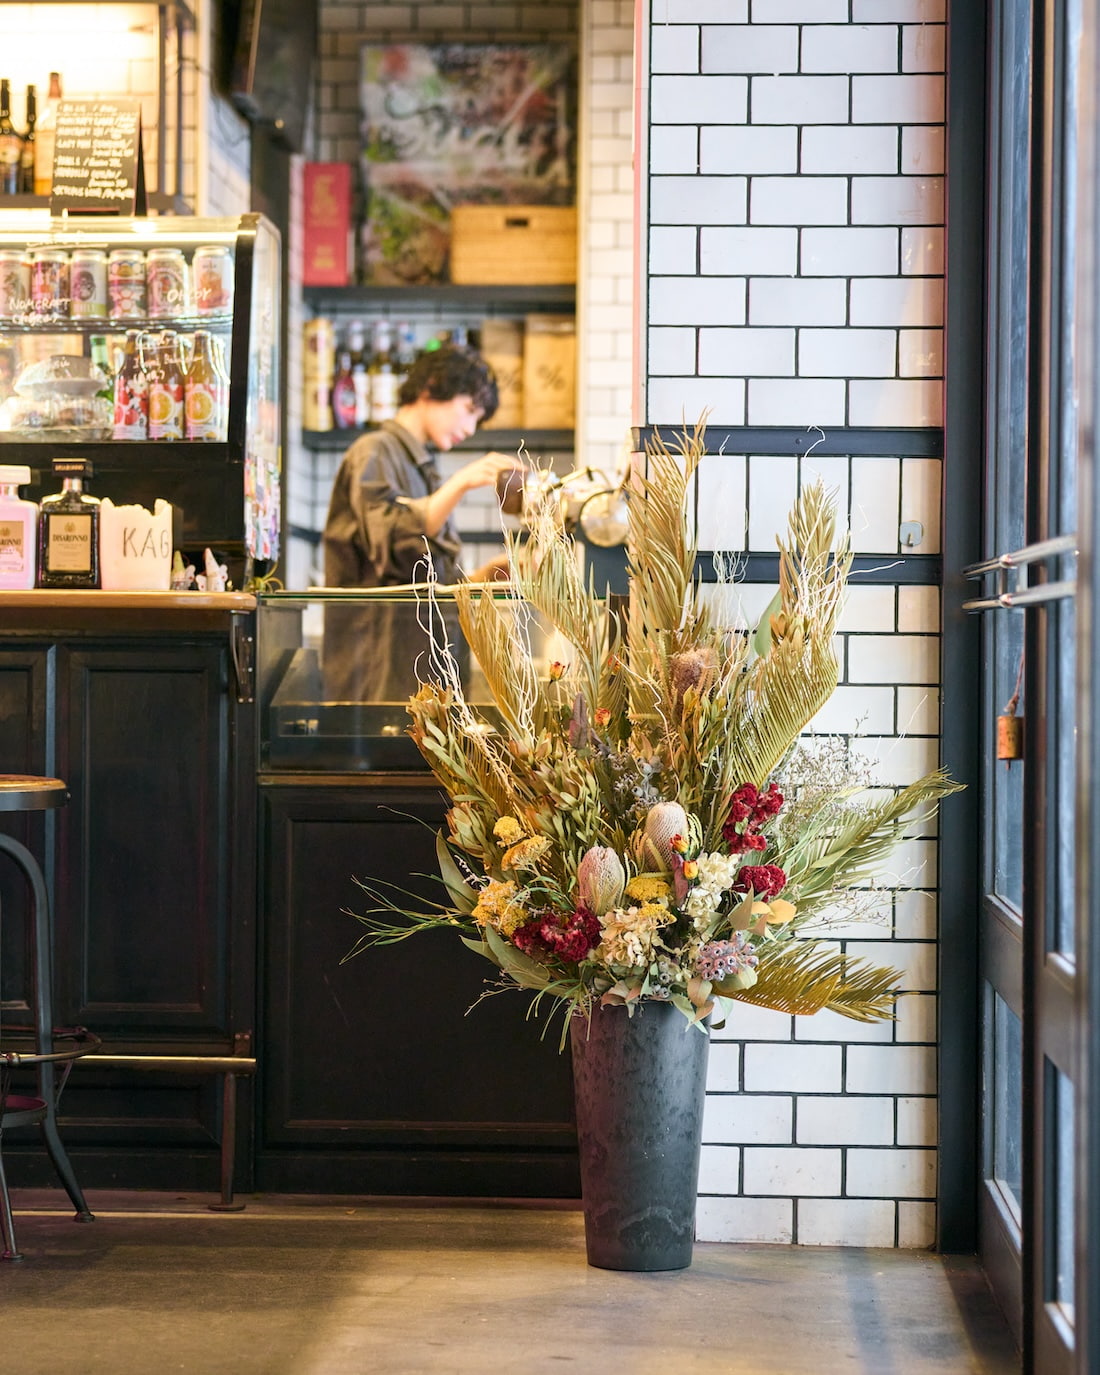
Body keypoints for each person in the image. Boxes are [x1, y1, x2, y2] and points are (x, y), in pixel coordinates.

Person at [319, 344, 527, 702]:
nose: (471, 427)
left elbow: (420, 575)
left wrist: (479, 578)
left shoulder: (421, 468)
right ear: (432, 387)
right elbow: (390, 547)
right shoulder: (375, 451)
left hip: (418, 672)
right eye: (468, 409)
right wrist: (462, 481)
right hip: (379, 674)